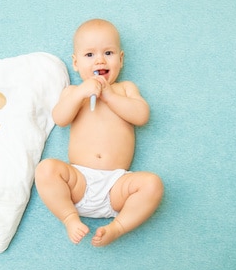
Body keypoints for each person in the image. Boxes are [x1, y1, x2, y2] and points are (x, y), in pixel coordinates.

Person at [35, 19, 163, 247]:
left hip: (117, 186)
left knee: (152, 185)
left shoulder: (125, 89)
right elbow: (60, 118)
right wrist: (79, 94)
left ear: (121, 59)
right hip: (79, 181)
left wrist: (109, 96)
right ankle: (69, 217)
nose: (100, 59)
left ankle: (117, 227)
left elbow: (141, 116)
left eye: (108, 52)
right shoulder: (74, 92)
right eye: (89, 55)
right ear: (75, 63)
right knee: (46, 170)